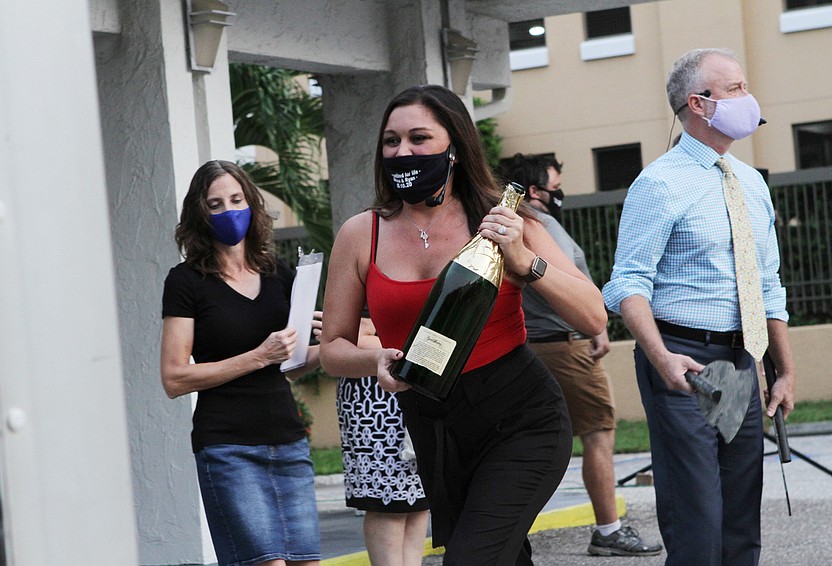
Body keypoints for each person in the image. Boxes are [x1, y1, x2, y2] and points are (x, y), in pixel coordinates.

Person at [319, 84, 607, 566]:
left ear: (454, 147)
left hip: (519, 418)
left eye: (418, 138)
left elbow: (593, 315)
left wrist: (523, 259)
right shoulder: (359, 234)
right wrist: (375, 359)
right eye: (391, 141)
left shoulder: (504, 220)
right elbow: (332, 348)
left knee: (472, 558)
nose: (402, 151)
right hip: (434, 427)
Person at [602, 48, 796, 566]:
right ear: (699, 104)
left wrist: (783, 370)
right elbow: (626, 284)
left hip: (737, 363)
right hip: (684, 361)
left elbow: (767, 285)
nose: (747, 97)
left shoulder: (751, 183)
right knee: (698, 517)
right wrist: (662, 357)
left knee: (737, 516)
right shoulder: (659, 183)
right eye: (734, 89)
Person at [160, 160, 322, 566]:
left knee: (307, 563)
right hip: (228, 447)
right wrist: (258, 355)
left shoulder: (279, 275)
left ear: (252, 203)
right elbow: (175, 378)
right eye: (215, 204)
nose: (229, 211)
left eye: (236, 199)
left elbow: (291, 367)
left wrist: (334, 344)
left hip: (288, 440)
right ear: (200, 214)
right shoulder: (186, 282)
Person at [502, 153, 662, 558]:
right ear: (535, 191)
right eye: (554, 184)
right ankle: (608, 530)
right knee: (598, 434)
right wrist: (594, 325)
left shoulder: (518, 223)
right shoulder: (538, 225)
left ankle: (507, 531)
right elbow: (565, 284)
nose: (559, 191)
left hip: (540, 342)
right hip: (563, 342)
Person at [314, 311, 430, 566]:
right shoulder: (366, 276)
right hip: (374, 399)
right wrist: (412, 346)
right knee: (386, 501)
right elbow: (346, 337)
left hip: (417, 386)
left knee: (418, 499)